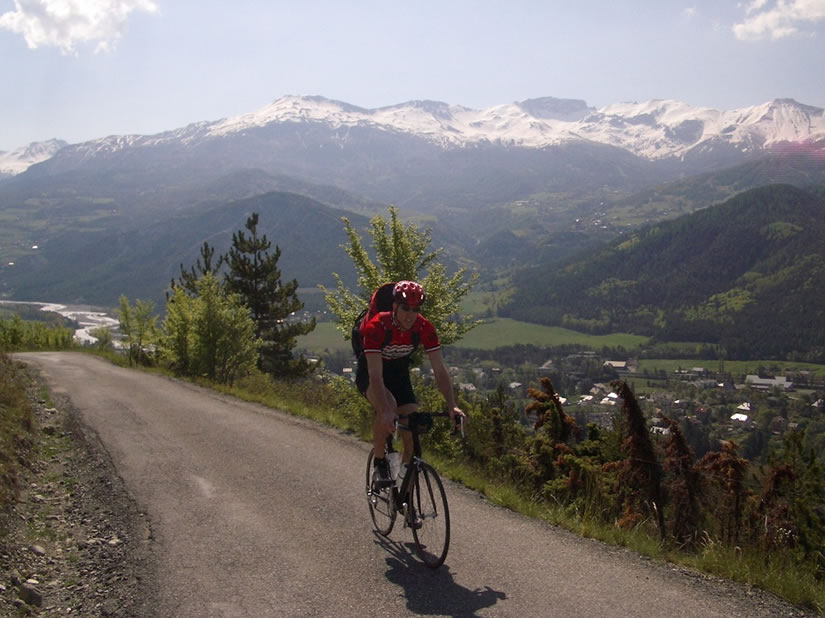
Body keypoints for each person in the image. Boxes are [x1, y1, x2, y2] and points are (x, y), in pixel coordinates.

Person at [356, 280, 465, 489]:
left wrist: (452, 405)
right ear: (394, 306)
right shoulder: (377, 327)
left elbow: (440, 371)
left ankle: (404, 488)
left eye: (415, 309)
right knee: (387, 404)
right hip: (371, 373)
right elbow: (375, 376)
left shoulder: (424, 327)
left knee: (412, 430)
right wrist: (387, 411)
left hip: (398, 373)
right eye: (405, 308)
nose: (410, 314)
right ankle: (380, 463)